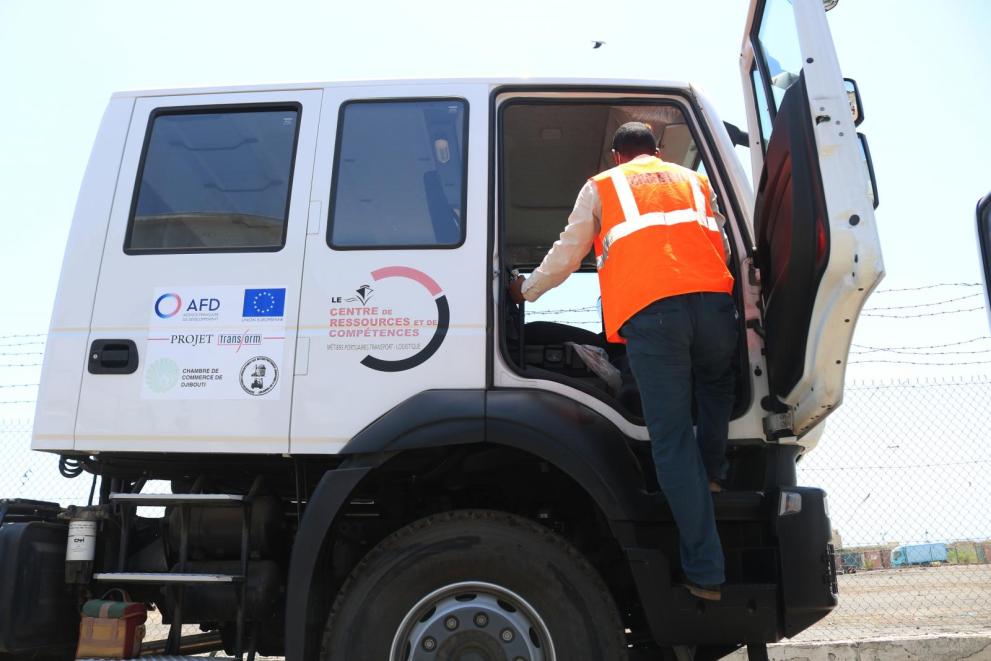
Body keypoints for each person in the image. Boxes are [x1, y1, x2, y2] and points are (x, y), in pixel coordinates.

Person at [509, 122, 737, 601]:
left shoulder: (603, 186)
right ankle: (714, 472)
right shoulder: (694, 181)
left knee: (671, 441)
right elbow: (729, 242)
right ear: (657, 150)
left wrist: (524, 289)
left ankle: (706, 573)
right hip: (716, 308)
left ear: (617, 156)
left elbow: (569, 252)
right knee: (716, 386)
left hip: (654, 318)